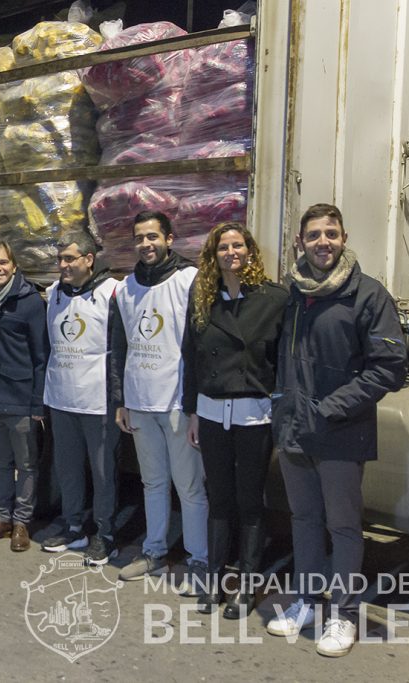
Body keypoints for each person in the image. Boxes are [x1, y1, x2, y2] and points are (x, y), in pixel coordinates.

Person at [266, 204, 407, 657]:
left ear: (344, 238)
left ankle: (343, 615)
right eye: (313, 235)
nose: (322, 242)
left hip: (340, 432)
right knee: (303, 520)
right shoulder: (292, 294)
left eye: (331, 233)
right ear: (300, 242)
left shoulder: (368, 295)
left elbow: (389, 368)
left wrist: (329, 409)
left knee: (343, 526)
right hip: (293, 432)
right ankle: (307, 600)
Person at [182, 222, 288, 617]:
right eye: (223, 246)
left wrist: (280, 409)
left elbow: (283, 362)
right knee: (219, 501)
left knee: (250, 503)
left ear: (250, 250)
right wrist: (191, 410)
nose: (232, 252)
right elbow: (190, 357)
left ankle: (245, 584)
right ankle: (213, 582)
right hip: (210, 414)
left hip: (254, 416)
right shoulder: (202, 296)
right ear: (214, 255)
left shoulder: (274, 299)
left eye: (238, 244)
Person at [110, 211, 209, 588]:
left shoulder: (189, 280)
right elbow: (119, 347)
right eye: (139, 238)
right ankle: (153, 552)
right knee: (153, 483)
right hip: (139, 401)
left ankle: (199, 559)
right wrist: (121, 398)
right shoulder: (126, 287)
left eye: (153, 236)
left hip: (175, 403)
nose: (145, 244)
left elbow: (199, 345)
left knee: (189, 486)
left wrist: (194, 404)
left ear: (169, 239)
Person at [40, 232, 121, 564]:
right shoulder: (53, 294)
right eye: (60, 259)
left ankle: (105, 534)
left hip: (97, 400)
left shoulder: (111, 292)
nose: (63, 265)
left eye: (70, 258)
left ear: (89, 259)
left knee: (103, 472)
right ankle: (73, 525)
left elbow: (119, 348)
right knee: (67, 468)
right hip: (61, 396)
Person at [0, 242, 48, 552]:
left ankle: (21, 523)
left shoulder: (29, 302)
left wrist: (38, 400)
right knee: (1, 463)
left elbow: (41, 355)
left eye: (3, 263)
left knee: (26, 464)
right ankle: (2, 518)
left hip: (19, 395)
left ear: (14, 266)